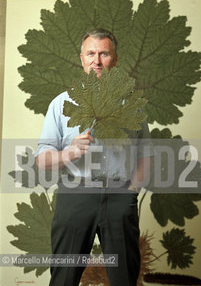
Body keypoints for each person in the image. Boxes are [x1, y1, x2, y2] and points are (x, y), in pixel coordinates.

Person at [35, 28, 152, 286]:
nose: (96, 60)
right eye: (91, 53)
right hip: (74, 195)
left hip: (120, 197)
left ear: (115, 59)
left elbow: (146, 152)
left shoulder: (131, 104)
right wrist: (69, 153)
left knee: (125, 279)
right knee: (63, 278)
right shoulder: (61, 104)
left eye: (104, 54)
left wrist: (132, 191)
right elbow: (41, 159)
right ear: (81, 58)